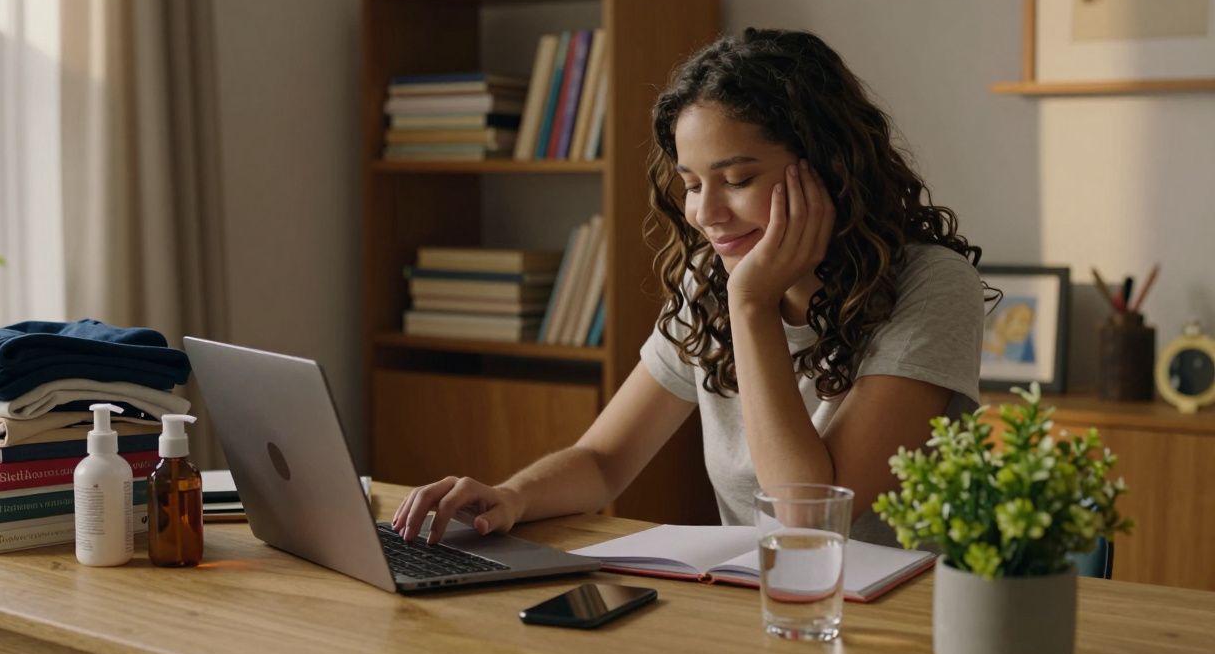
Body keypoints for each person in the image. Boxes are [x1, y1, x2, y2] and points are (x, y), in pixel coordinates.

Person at [394, 28, 989, 547]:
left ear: (832, 165)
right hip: (761, 609)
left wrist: (751, 307)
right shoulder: (712, 279)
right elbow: (604, 462)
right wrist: (511, 496)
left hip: (892, 626)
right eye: (692, 183)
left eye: (737, 179)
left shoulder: (930, 285)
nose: (706, 212)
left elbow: (807, 515)